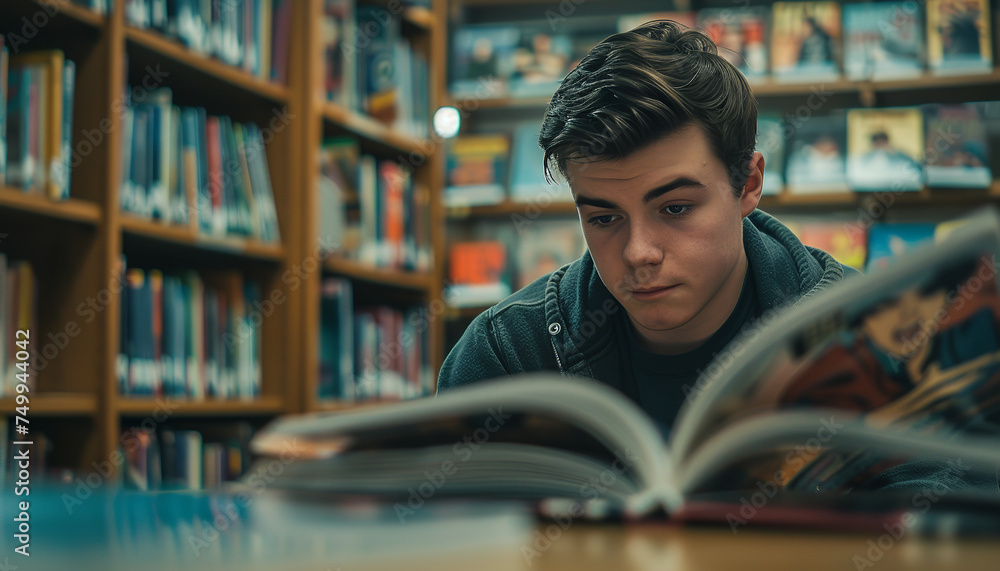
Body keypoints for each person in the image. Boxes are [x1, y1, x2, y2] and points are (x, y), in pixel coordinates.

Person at [437, 20, 857, 430]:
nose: (638, 253)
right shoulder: (505, 356)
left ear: (748, 184)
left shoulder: (869, 332)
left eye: (675, 209)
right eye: (604, 218)